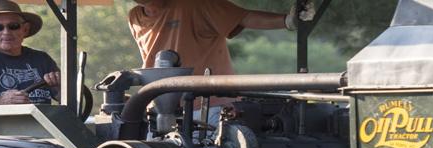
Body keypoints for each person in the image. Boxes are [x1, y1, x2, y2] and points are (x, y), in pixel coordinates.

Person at [129, 1, 316, 76]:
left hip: (206, 106)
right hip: (157, 106)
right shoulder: (135, 16)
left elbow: (245, 17)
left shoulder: (195, 4)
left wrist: (287, 21)